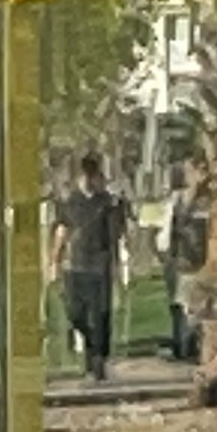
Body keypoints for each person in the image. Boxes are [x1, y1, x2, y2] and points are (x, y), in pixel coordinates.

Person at [50, 150, 127, 382]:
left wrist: (119, 266)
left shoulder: (107, 203)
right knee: (75, 313)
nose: (89, 179)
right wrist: (54, 261)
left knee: (101, 314)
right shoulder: (70, 202)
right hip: (75, 265)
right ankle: (91, 346)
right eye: (85, 174)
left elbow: (115, 236)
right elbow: (62, 231)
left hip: (99, 265)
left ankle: (98, 359)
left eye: (92, 174)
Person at [156, 165, 208, 361]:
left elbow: (194, 233)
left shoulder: (200, 203)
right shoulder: (174, 201)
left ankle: (188, 345)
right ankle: (181, 343)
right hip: (176, 256)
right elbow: (165, 229)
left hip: (188, 258)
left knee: (188, 302)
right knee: (178, 303)